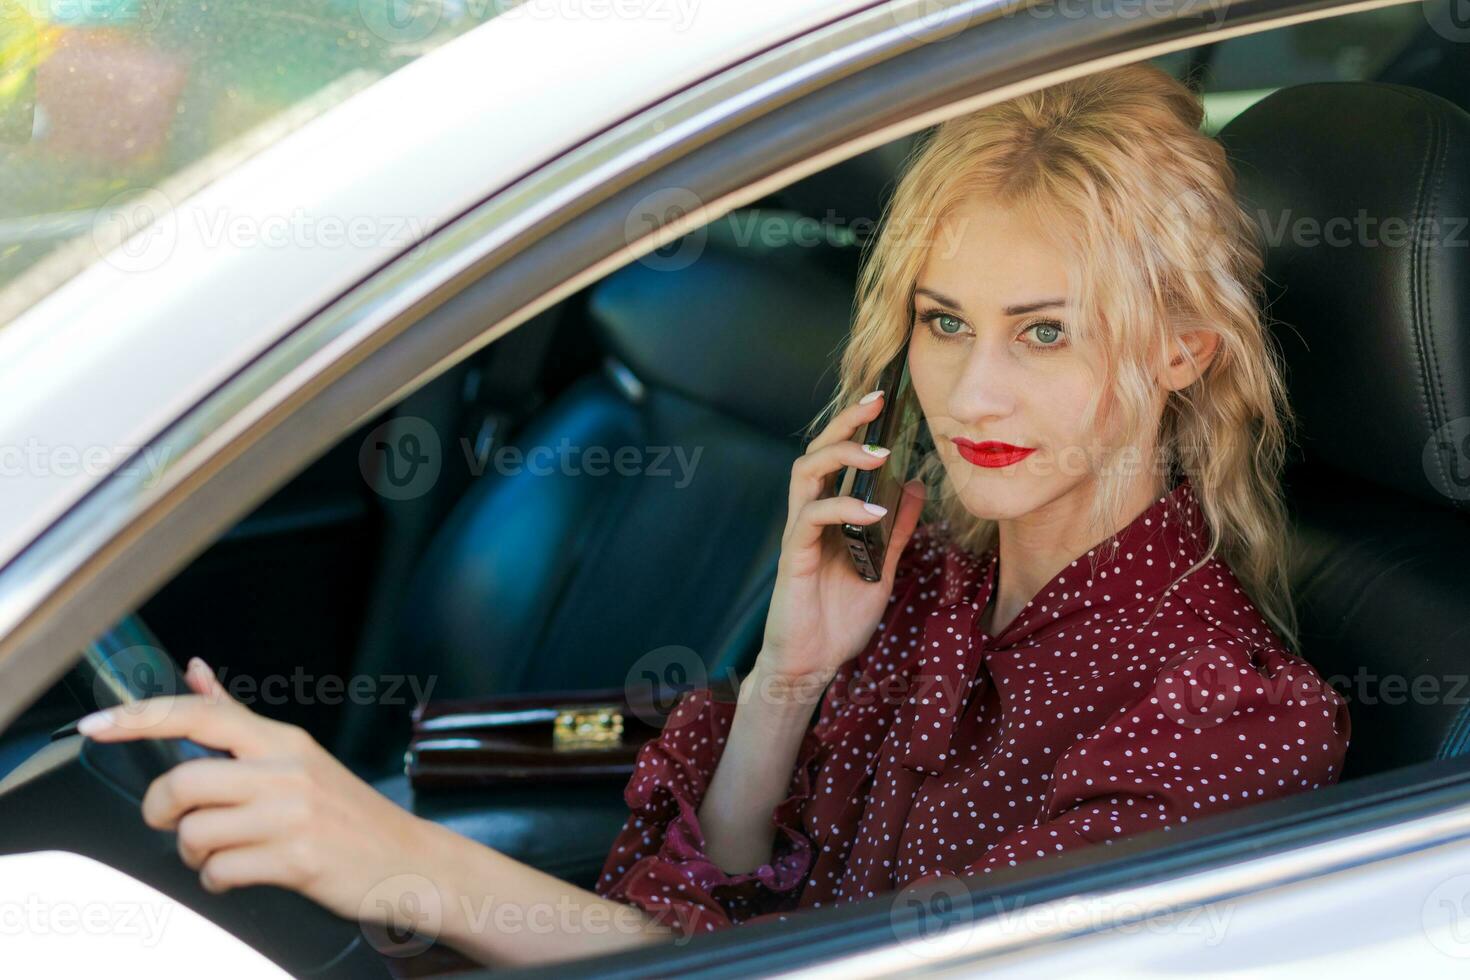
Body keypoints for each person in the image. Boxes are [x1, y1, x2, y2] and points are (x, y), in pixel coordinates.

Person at [76, 61, 1350, 966]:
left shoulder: (1225, 720)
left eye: (1046, 333)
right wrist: (788, 676)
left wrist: (404, 861)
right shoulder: (924, 575)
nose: (972, 388)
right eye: (944, 321)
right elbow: (709, 903)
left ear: (1185, 352)